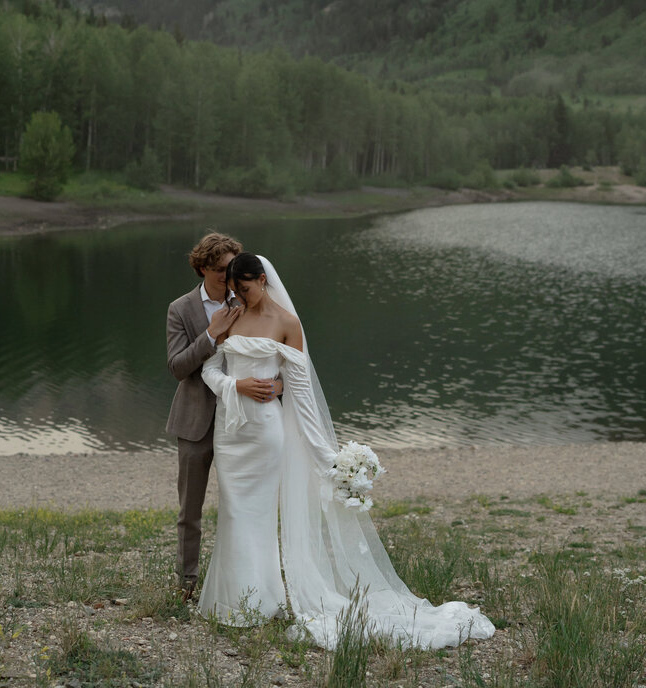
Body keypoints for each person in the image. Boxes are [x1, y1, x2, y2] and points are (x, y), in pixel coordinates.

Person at [198, 253, 496, 652]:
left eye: (245, 288)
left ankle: (261, 603)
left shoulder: (287, 324)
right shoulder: (229, 317)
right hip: (230, 433)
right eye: (234, 290)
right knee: (233, 512)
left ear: (263, 280)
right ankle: (232, 603)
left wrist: (329, 460)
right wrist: (236, 387)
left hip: (266, 433)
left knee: (261, 514)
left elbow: (301, 394)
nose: (240, 296)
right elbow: (209, 369)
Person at [166, 233, 282, 601]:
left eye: (231, 269)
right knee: (191, 510)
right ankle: (187, 582)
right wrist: (210, 334)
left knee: (243, 508)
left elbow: (274, 357)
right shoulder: (180, 309)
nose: (227, 277)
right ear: (202, 268)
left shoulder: (249, 300)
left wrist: (276, 388)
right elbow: (177, 368)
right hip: (197, 423)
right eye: (219, 270)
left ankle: (242, 585)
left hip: (245, 426)